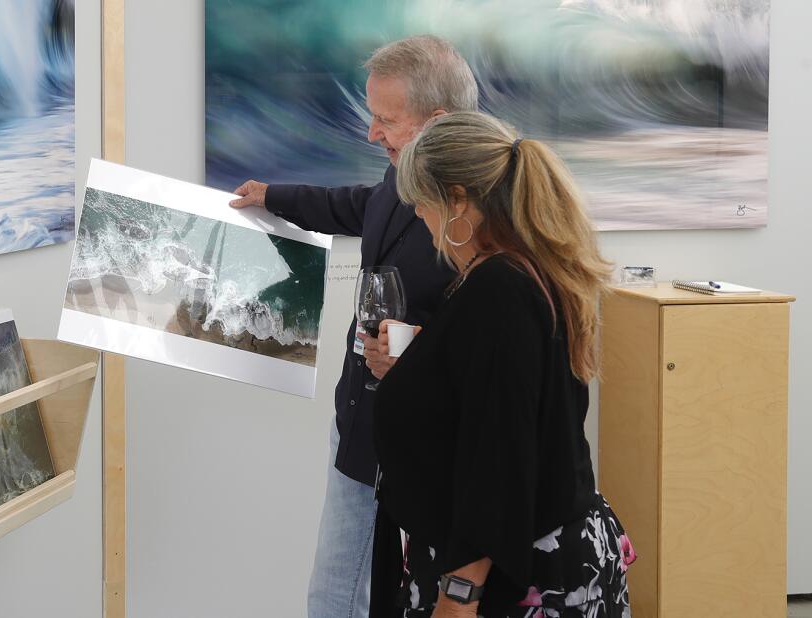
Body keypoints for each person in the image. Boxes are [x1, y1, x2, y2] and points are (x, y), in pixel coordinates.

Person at [230, 35, 479, 618]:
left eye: (385, 120)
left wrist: (415, 354)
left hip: (428, 446)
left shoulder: (480, 217)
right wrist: (274, 196)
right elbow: (357, 204)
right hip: (362, 426)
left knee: (342, 600)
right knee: (345, 595)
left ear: (435, 123)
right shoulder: (401, 180)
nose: (371, 133)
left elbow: (496, 347)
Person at [369, 111, 634, 617]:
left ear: (459, 201)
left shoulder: (497, 290)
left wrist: (460, 593)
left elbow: (499, 455)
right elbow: (503, 394)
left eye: (422, 201)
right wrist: (428, 358)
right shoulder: (524, 270)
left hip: (512, 575)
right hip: (540, 551)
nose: (418, 216)